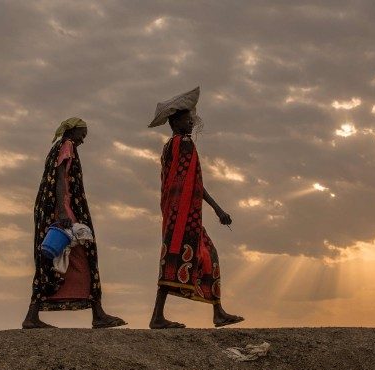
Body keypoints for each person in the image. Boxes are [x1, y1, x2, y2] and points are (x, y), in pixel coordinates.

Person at [147, 87, 244, 329]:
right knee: (193, 257)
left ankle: (215, 312)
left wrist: (214, 209)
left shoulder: (170, 146)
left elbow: (188, 183)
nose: (191, 123)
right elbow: (194, 184)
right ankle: (162, 316)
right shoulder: (185, 144)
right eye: (188, 119)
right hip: (184, 217)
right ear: (176, 120)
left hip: (175, 215)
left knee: (181, 258)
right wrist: (218, 209)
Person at [22, 117, 126, 329]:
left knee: (52, 262)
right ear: (73, 131)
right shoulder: (67, 145)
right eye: (82, 135)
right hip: (63, 210)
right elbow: (61, 178)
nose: (83, 140)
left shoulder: (57, 147)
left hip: (54, 210)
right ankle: (97, 314)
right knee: (85, 255)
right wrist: (62, 211)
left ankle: (33, 316)